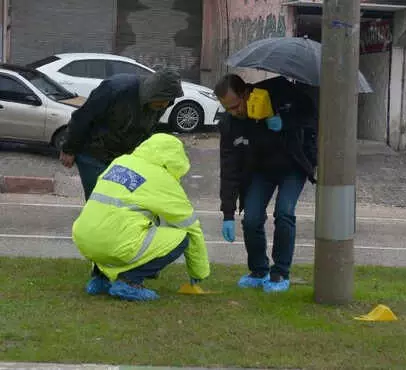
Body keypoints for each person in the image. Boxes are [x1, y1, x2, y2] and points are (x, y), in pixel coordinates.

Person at [72, 133, 210, 301]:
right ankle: (130, 282)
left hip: (84, 238)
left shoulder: (120, 162)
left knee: (110, 225)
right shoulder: (162, 178)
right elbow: (190, 226)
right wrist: (199, 272)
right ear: (175, 160)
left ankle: (101, 279)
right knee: (182, 238)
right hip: (114, 243)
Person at [214, 74, 317, 293]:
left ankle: (280, 272)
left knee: (284, 213)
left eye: (235, 106)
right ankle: (259, 270)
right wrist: (228, 214)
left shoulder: (279, 93)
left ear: (245, 93)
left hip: (292, 166)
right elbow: (229, 168)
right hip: (261, 171)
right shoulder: (231, 124)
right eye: (227, 108)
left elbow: (310, 117)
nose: (233, 112)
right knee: (251, 219)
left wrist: (284, 123)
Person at [59, 68, 184, 201]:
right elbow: (82, 117)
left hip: (122, 158)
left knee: (121, 202)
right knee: (100, 201)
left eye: (168, 100)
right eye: (162, 100)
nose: (165, 104)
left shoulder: (159, 104)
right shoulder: (117, 88)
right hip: (93, 155)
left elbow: (145, 132)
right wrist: (69, 149)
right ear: (152, 92)